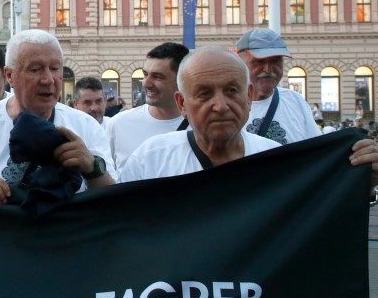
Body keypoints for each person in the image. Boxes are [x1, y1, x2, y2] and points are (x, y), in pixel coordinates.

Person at [119, 47, 378, 185]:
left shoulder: (276, 161)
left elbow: (315, 217)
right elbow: (118, 222)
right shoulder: (150, 160)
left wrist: (358, 183)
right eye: (204, 94)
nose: (220, 106)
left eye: (232, 91)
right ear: (182, 103)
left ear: (249, 96)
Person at [0, 30, 115, 203]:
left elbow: (114, 204)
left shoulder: (86, 127)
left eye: (55, 69)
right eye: (35, 69)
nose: (48, 79)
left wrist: (92, 168)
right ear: (9, 76)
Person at [106, 42, 190, 172]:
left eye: (157, 77)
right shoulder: (118, 124)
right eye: (145, 74)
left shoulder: (200, 126)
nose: (146, 83)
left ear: (181, 79)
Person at [236, 29, 319, 145]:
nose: (268, 69)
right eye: (259, 62)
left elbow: (317, 149)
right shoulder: (228, 107)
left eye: (275, 61)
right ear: (239, 62)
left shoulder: (295, 101)